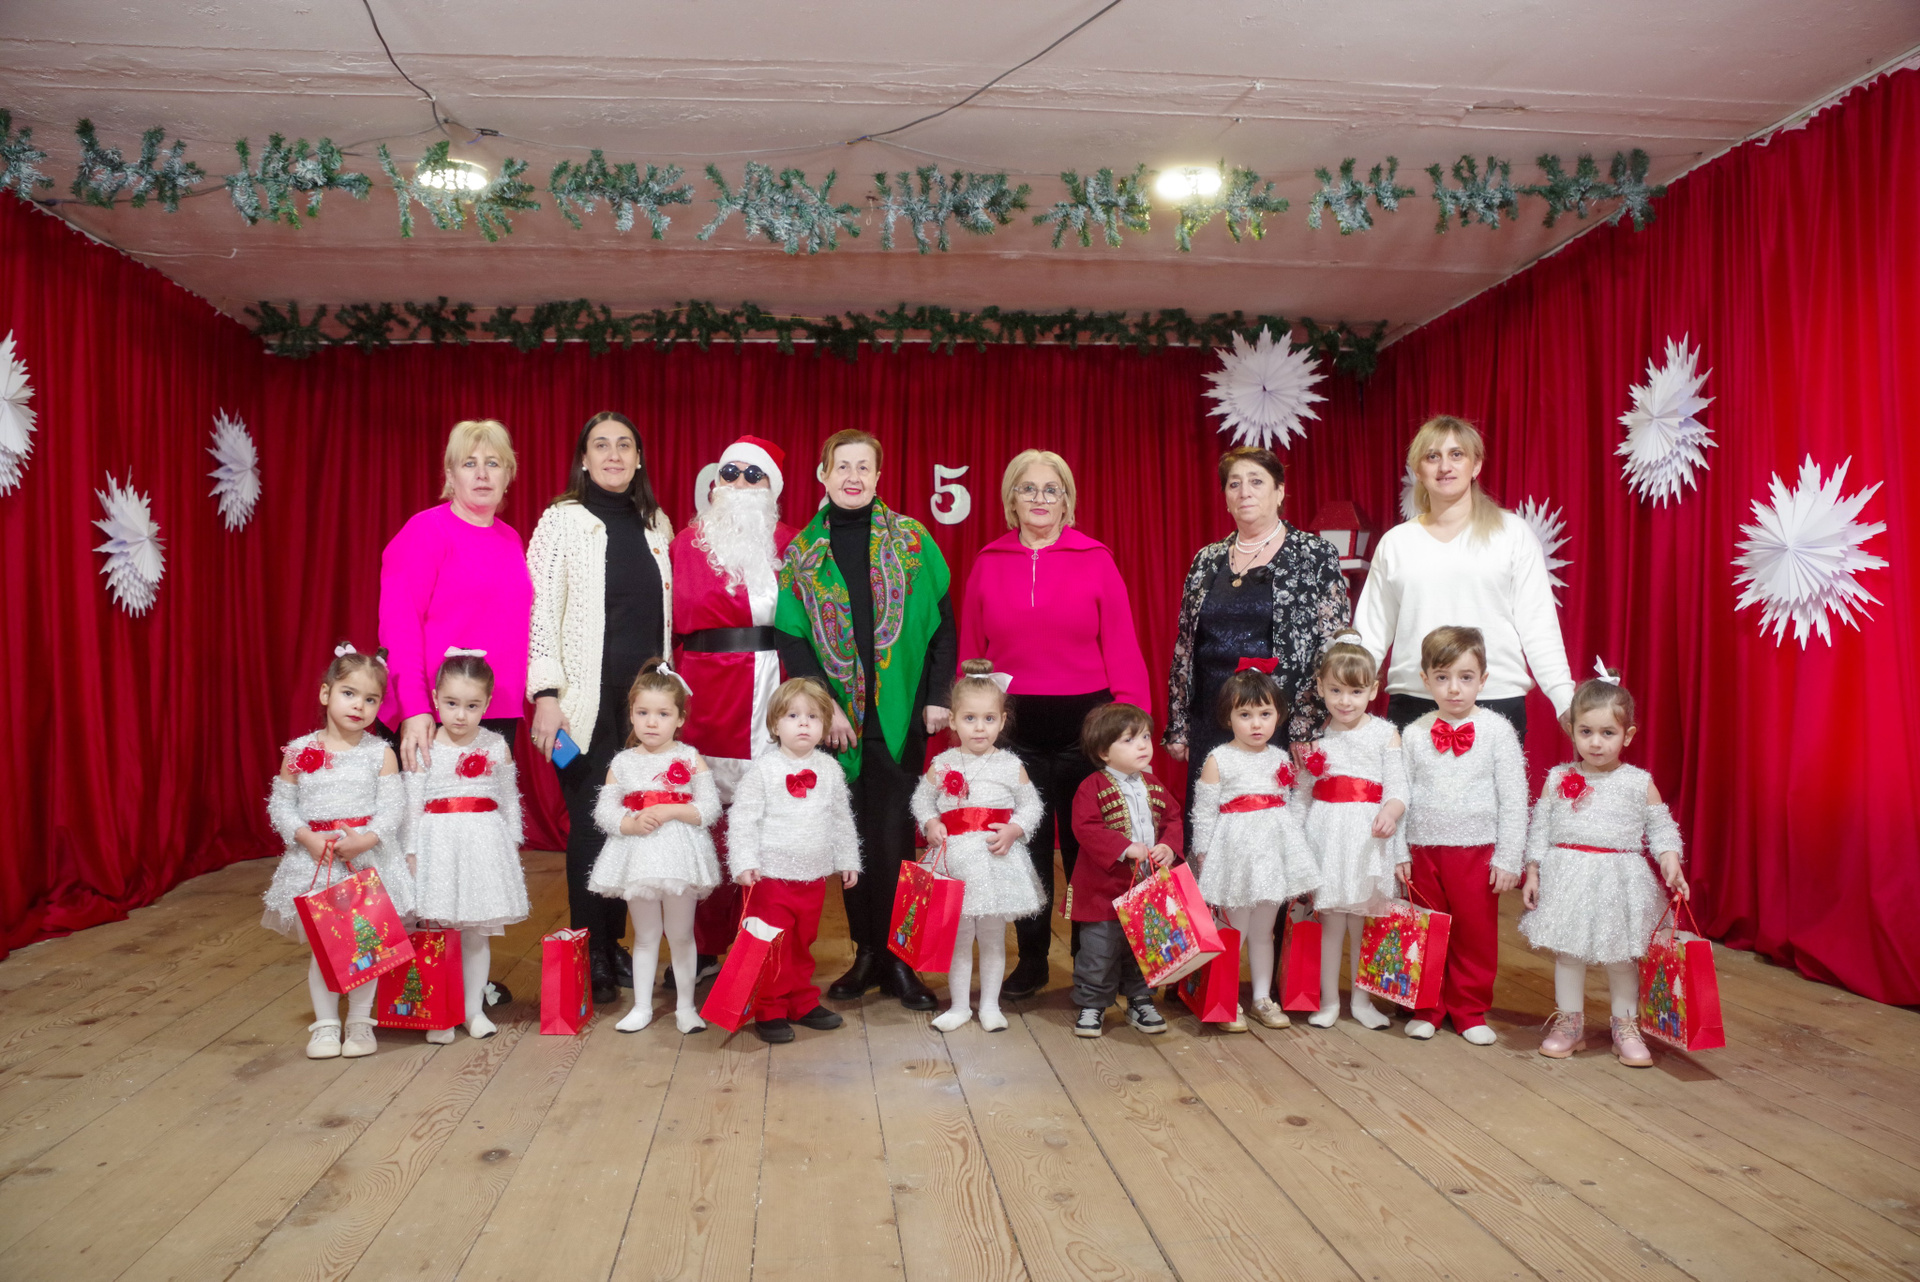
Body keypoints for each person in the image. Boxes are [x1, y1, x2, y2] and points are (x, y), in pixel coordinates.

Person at [958, 449, 1151, 999]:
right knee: (1026, 848)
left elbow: (1122, 644)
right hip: (1013, 728)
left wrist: (1131, 725)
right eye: (1028, 489)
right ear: (1011, 499)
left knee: (1094, 850)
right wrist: (968, 723)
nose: (1040, 499)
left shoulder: (1096, 558)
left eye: (1052, 489)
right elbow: (971, 651)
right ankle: (1034, 960)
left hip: (1087, 728)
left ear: (1067, 500)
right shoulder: (988, 561)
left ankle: (1098, 963)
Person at [774, 429, 955, 1012]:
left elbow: (942, 623)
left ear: (878, 476)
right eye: (842, 466)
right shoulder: (802, 554)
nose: (852, 477)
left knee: (894, 838)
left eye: (863, 467)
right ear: (822, 475)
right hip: (836, 725)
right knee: (850, 841)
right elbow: (793, 640)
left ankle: (902, 960)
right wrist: (823, 708)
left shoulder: (912, 540)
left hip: (900, 718)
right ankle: (867, 954)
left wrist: (938, 696)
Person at [527, 411, 676, 1005]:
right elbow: (540, 615)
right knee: (591, 824)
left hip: (644, 712)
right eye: (601, 445)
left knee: (629, 823)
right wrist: (546, 696)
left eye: (624, 445)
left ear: (638, 458)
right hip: (580, 708)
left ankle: (616, 946)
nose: (613, 455)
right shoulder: (561, 521)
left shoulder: (656, 524)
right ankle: (589, 947)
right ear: (584, 460)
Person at [1355, 416, 1575, 739]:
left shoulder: (1513, 534)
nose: (1445, 466)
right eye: (1433, 456)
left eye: (1456, 454)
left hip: (1496, 701)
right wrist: (1346, 694)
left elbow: (1539, 626)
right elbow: (1370, 635)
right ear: (1418, 470)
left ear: (1476, 465)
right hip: (1414, 704)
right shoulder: (1396, 543)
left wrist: (1565, 700)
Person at [672, 436, 800, 979]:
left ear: (772, 488)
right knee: (702, 820)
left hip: (771, 689)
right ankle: (700, 948)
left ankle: (763, 948)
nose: (741, 483)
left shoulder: (793, 544)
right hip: (699, 692)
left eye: (754, 474)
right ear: (714, 482)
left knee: (766, 823)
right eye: (730, 472)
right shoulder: (683, 544)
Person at [1166, 447, 1350, 814]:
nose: (1244, 492)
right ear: (1226, 498)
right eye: (1234, 484)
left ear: (1279, 491)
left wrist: (1306, 723)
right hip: (1211, 715)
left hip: (1278, 718)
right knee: (1211, 823)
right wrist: (1179, 722)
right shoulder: (1206, 559)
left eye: (1256, 482)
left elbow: (1331, 645)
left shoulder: (1314, 554)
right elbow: (1186, 645)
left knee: (1268, 823)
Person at [1521, 668, 1689, 1068]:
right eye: (1586, 732)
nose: (1595, 742)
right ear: (1572, 730)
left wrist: (1670, 857)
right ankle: (1569, 1024)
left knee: (1621, 956)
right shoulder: (1558, 778)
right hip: (1568, 877)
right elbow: (1540, 827)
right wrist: (1532, 869)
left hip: (1620, 879)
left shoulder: (1638, 782)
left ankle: (1625, 1027)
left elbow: (1661, 826)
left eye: (1607, 733)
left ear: (1627, 735)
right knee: (1569, 953)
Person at [262, 645, 408, 1061]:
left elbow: (393, 808)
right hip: (316, 863)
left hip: (365, 861)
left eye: (371, 699)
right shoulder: (299, 752)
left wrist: (367, 838)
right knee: (325, 948)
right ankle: (326, 1024)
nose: (359, 705)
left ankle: (360, 1021)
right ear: (326, 694)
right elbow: (281, 805)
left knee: (367, 945)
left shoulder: (380, 753)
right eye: (349, 693)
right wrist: (305, 836)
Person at [378, 419, 533, 773]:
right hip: (434, 712)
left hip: (495, 711)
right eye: (469, 463)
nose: (482, 474)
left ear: (508, 475)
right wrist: (415, 708)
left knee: (484, 810)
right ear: (450, 475)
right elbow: (400, 628)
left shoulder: (511, 540)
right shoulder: (424, 531)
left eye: (493, 463)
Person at [1400, 626, 1528, 1044]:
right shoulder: (1414, 733)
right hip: (1423, 849)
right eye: (1442, 677)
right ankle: (1427, 1007)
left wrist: (1508, 857)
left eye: (1465, 677)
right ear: (1425, 680)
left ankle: (1469, 1010)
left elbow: (1514, 798)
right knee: (1427, 929)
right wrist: (1399, 852)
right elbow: (1399, 796)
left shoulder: (1497, 731)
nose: (1454, 688)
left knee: (1475, 934)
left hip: (1478, 851)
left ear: (1483, 680)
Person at [910, 660, 1046, 1033]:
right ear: (953, 721)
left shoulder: (1010, 765)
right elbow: (922, 800)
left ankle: (989, 1005)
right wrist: (932, 822)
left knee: (992, 938)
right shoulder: (942, 764)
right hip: (955, 860)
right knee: (958, 938)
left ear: (1002, 721)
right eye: (970, 719)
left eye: (988, 719)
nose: (980, 727)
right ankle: (958, 1007)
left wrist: (1015, 829)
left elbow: (1032, 806)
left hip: (994, 861)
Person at [725, 678, 863, 1045]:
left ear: (824, 726)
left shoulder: (830, 770)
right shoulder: (763, 771)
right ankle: (769, 1007)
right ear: (774, 724)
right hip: (770, 877)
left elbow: (841, 819)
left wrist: (848, 858)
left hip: (813, 876)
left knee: (803, 941)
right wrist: (744, 861)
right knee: (773, 943)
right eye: (792, 716)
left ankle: (801, 1001)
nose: (803, 723)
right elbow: (743, 820)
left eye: (813, 717)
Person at [588, 660, 722, 1034]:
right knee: (645, 937)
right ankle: (642, 1007)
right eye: (643, 713)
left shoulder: (689, 758)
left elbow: (709, 809)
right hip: (639, 858)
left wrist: (672, 810)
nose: (652, 722)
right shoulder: (623, 762)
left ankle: (685, 1008)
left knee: (680, 935)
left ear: (680, 718)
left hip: (680, 857)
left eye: (663, 714)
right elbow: (604, 811)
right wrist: (630, 823)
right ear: (631, 714)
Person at [1187, 663, 1322, 1032]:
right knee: (1234, 929)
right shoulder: (1218, 758)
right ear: (1228, 717)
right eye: (1245, 715)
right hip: (1235, 855)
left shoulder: (1280, 758)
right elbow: (1203, 812)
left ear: (1279, 715)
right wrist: (1204, 855)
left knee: (1265, 931)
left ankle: (1262, 997)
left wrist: (1292, 840)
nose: (1256, 724)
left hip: (1271, 854)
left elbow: (1292, 802)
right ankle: (1225, 997)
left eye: (1265, 714)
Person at [402, 648, 528, 1044]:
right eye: (451, 703)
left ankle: (473, 1009)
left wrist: (511, 844)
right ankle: (440, 1011)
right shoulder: (425, 746)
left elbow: (509, 801)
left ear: (487, 704)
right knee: (438, 932)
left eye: (472, 706)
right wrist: (410, 853)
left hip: (483, 846)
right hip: (437, 846)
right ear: (435, 698)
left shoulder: (496, 746)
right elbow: (412, 805)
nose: (460, 715)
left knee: (476, 932)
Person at [1292, 631, 1408, 1031]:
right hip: (1326, 835)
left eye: (1356, 692)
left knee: (1363, 923)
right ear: (1321, 687)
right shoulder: (1316, 738)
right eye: (1336, 690)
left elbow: (1399, 788)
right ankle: (1328, 1001)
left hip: (1366, 839)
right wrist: (1295, 841)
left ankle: (1361, 1000)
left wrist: (1391, 811)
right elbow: (1302, 794)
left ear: (1373, 690)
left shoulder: (1385, 733)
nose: (1345, 701)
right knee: (1331, 923)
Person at [1067, 702, 1178, 1039]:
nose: (1142, 745)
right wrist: (1123, 847)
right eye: (1129, 740)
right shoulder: (1091, 787)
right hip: (1103, 889)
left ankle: (1140, 999)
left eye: (1144, 737)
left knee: (1143, 947)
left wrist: (1169, 846)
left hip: (1146, 887)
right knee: (1099, 950)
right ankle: (1092, 1003)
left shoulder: (1153, 784)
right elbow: (1085, 827)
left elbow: (1172, 818)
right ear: (1104, 752)